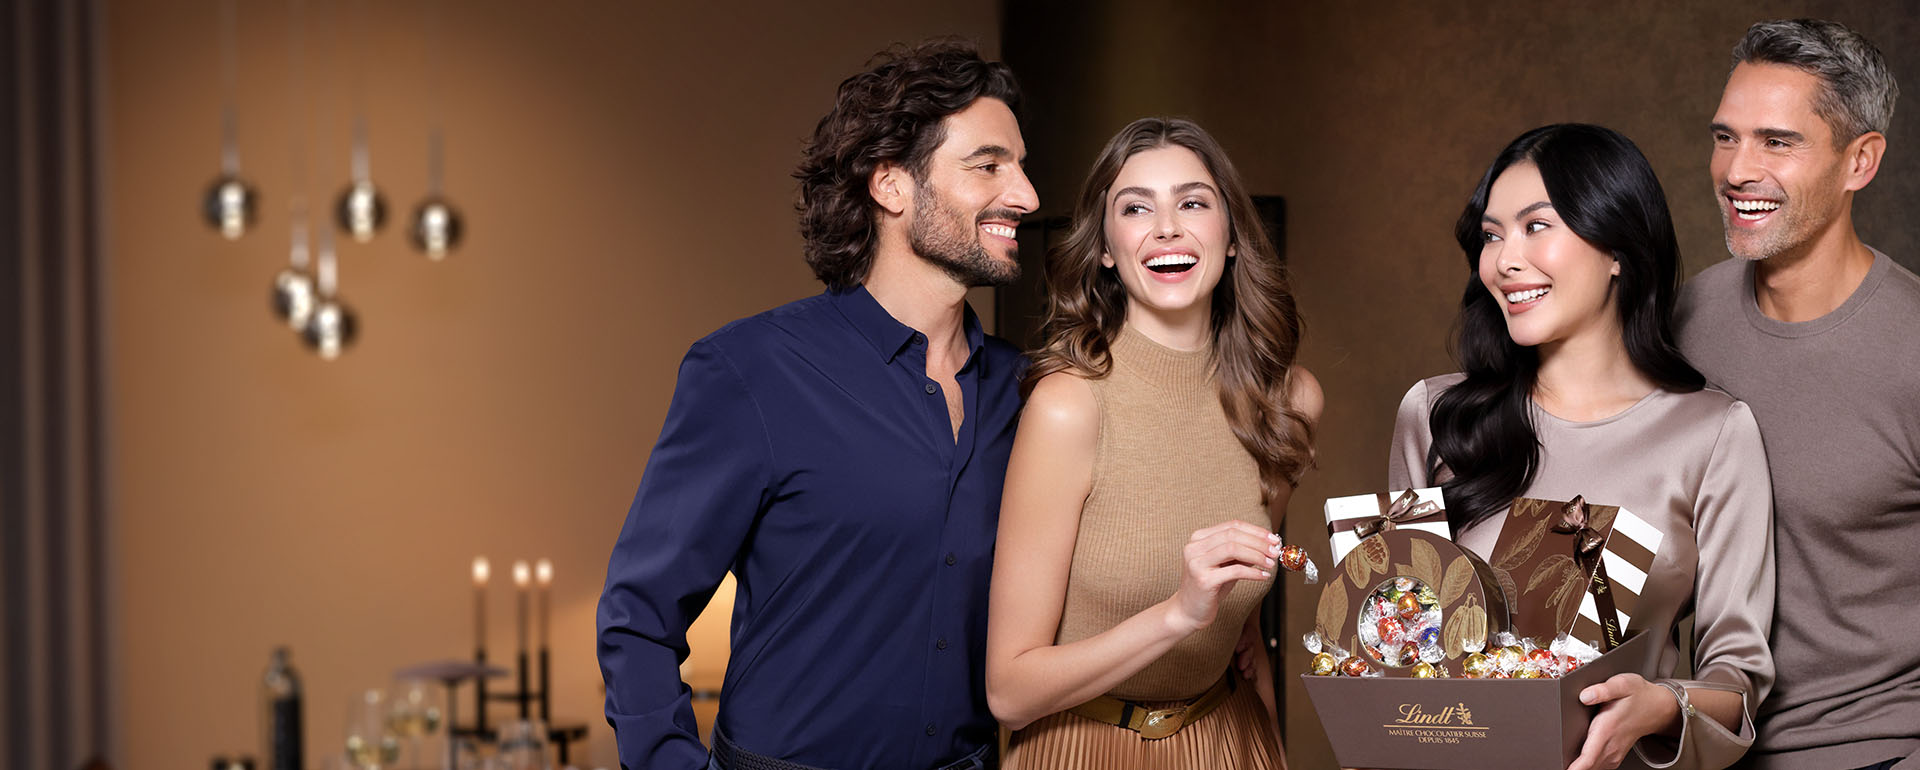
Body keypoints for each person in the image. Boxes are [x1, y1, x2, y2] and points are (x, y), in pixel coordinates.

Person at [595, 40, 1038, 770]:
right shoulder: (751, 370)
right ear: (891, 186)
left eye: (1021, 166)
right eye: (989, 165)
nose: (1026, 195)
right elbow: (639, 616)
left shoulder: (1030, 393)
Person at [1389, 124, 1775, 770]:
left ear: (1617, 248)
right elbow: (1394, 638)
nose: (1504, 261)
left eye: (1537, 226)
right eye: (1492, 235)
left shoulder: (1712, 433)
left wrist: (1660, 705)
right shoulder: (1434, 415)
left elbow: (1738, 679)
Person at [985, 117, 1321, 769]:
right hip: (1084, 747)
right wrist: (1178, 615)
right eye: (1136, 208)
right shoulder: (1068, 406)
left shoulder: (1289, 402)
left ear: (1230, 237)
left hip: (1230, 740)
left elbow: (1244, 629)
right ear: (1107, 249)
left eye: (1193, 203)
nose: (1167, 227)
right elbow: (1009, 692)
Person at [1677, 19, 1920, 770]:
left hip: (1879, 750)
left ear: (1860, 162)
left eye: (1776, 142)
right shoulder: (1679, 322)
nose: (1736, 170)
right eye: (1726, 137)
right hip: (1703, 747)